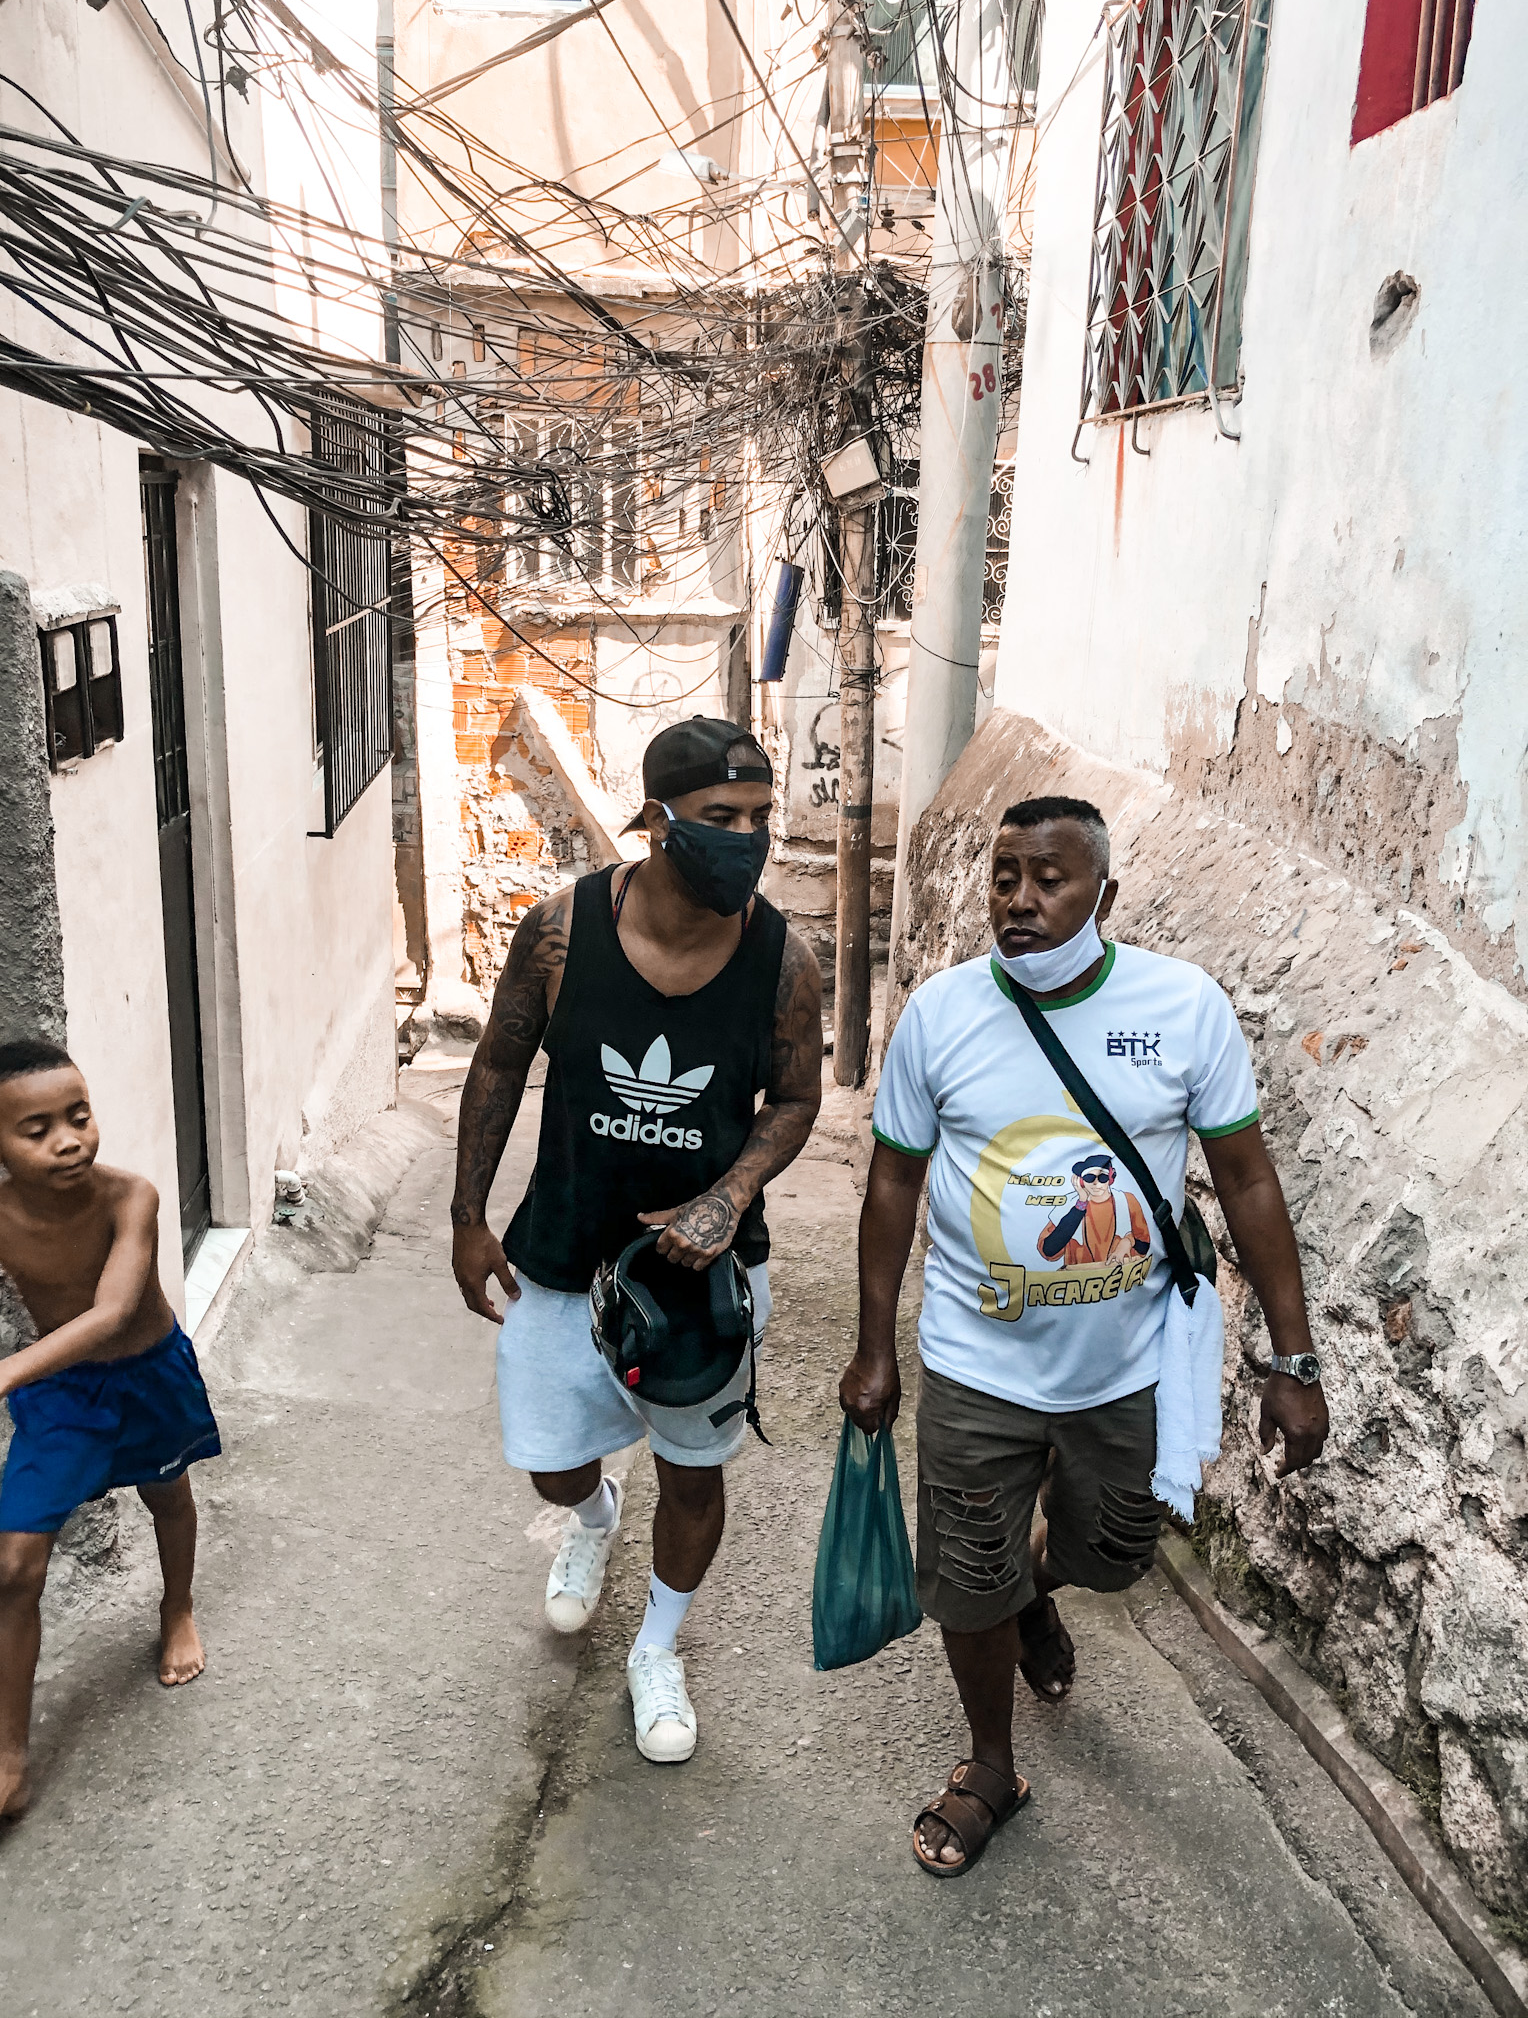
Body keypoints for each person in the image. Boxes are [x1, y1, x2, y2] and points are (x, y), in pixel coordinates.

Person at [841, 795, 1329, 1876]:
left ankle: (1031, 1597)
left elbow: (1246, 1179)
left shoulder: (1182, 1008)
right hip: (976, 1361)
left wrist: (1293, 1361)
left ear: (1104, 895)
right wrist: (875, 1343)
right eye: (1005, 875)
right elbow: (891, 1181)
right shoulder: (943, 1012)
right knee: (966, 1571)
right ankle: (989, 1763)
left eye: (1048, 879)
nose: (1019, 899)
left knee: (1115, 1553)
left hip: (1124, 1365)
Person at [451, 717, 822, 1764]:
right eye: (721, 819)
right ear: (658, 821)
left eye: (761, 817)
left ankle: (658, 1643)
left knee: (694, 1470)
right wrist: (468, 1214)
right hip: (564, 1253)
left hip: (702, 1283)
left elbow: (794, 1097)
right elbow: (497, 1061)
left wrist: (731, 1191)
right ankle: (593, 1514)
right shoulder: (563, 929)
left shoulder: (782, 955)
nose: (748, 839)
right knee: (552, 1467)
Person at [0, 1039, 221, 1829]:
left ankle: (178, 1605)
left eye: (78, 1117)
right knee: (14, 1565)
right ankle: (8, 1762)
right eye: (36, 1129)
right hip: (63, 1397)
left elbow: (114, 1311)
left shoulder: (133, 1197)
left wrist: (6, 1371)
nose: (66, 1139)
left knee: (166, 1495)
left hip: (146, 1374)